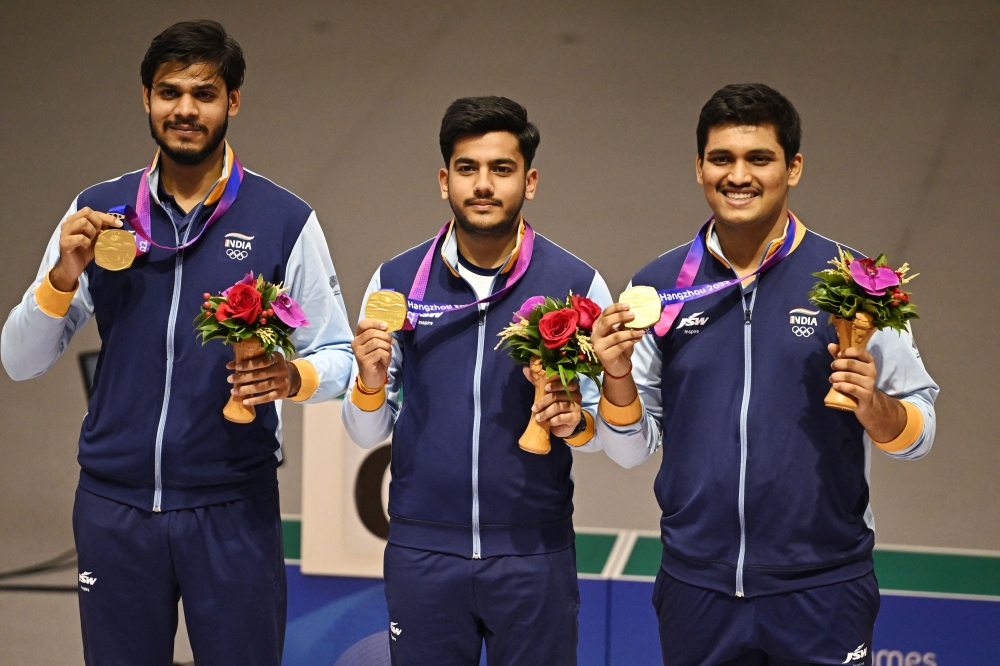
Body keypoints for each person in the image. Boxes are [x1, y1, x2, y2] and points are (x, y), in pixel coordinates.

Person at [1, 20, 354, 665]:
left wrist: (289, 378)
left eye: (204, 93)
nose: (185, 109)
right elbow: (18, 360)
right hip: (114, 507)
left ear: (233, 102)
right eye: (169, 92)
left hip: (231, 507)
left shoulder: (284, 219)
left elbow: (340, 355)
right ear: (145, 97)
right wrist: (60, 278)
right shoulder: (99, 211)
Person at [590, 83, 938, 666]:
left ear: (793, 167)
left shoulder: (855, 283)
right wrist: (618, 376)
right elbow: (629, 451)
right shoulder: (659, 284)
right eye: (721, 158)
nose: (738, 175)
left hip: (822, 587)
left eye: (760, 159)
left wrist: (874, 406)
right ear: (699, 167)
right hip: (696, 587)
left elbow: (920, 433)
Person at [343, 96, 612, 666]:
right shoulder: (395, 282)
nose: (483, 185)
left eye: (501, 169)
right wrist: (368, 382)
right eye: (468, 169)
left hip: (533, 552)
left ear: (530, 181)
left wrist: (575, 423)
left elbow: (605, 430)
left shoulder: (577, 282)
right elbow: (366, 434)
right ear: (445, 180)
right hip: (422, 550)